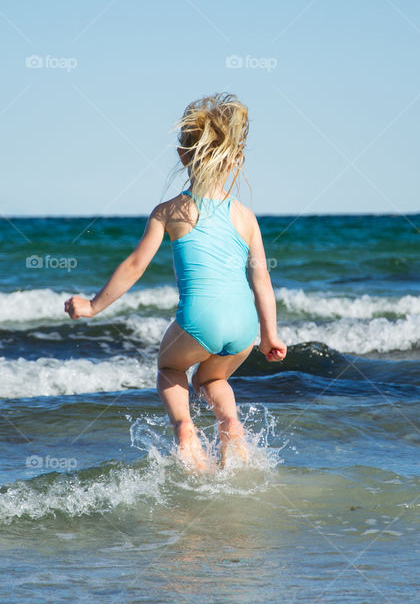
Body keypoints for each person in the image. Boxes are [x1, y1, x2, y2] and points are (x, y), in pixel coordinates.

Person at [65, 93, 287, 472]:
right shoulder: (246, 216)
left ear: (184, 155)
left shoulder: (169, 211)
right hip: (243, 326)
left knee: (169, 369)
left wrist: (92, 305)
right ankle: (230, 426)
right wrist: (270, 336)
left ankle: (184, 429)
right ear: (235, 159)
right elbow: (261, 279)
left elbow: (135, 265)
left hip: (199, 321)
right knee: (212, 378)